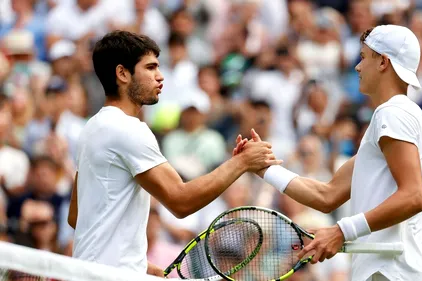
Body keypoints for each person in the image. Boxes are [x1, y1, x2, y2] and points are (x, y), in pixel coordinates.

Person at [234, 25, 422, 281]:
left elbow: (413, 197)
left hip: (396, 273)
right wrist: (263, 168)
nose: (357, 66)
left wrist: (341, 231)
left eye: (364, 57)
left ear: (383, 62)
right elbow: (327, 195)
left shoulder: (393, 113)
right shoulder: (392, 117)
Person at [67, 31, 281, 277]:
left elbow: (78, 217)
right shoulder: (128, 129)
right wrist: (241, 163)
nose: (160, 76)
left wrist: (137, 263)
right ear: (122, 73)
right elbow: (181, 201)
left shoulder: (91, 128)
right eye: (150, 68)